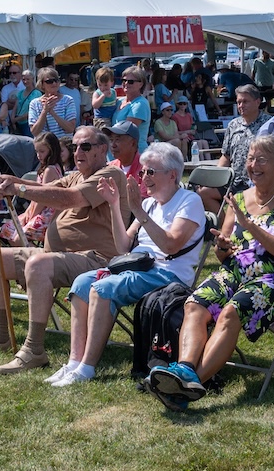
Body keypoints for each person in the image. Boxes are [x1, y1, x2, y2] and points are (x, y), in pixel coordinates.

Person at [144, 135, 274, 410]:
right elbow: (223, 254)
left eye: (261, 159)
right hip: (237, 271)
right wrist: (222, 247)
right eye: (249, 159)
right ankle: (185, 369)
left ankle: (187, 387)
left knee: (232, 310)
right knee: (195, 303)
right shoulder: (237, 199)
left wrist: (250, 225)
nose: (253, 165)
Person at [0, 125, 125, 373]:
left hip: (96, 260)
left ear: (102, 149)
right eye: (74, 146)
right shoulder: (75, 175)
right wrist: (5, 180)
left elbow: (71, 199)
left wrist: (16, 188)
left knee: (38, 264)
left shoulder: (110, 175)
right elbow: (45, 188)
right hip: (58, 256)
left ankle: (34, 349)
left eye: (85, 146)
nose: (77, 151)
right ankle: (0, 336)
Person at [48, 142, 208, 386]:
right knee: (82, 283)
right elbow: (123, 247)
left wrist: (137, 210)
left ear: (172, 175)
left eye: (151, 172)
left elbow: (170, 246)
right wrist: (114, 205)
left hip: (168, 274)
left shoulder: (189, 201)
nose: (144, 177)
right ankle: (74, 362)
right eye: (143, 172)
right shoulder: (150, 204)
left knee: (103, 289)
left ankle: (87, 369)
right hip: (139, 269)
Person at [216, 85, 267, 192]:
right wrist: (217, 175)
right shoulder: (233, 125)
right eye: (239, 102)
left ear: (257, 102)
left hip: (258, 181)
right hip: (233, 182)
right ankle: (231, 210)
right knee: (204, 192)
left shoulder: (268, 124)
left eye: (245, 102)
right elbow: (226, 156)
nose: (241, 106)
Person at [27, 66, 77, 140]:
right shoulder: (34, 103)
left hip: (64, 146)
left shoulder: (68, 100)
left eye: (56, 80)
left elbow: (70, 128)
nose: (54, 83)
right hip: (44, 147)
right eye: (49, 81)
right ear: (42, 84)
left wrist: (52, 113)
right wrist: (44, 111)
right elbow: (34, 132)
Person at [113, 67, 152, 133]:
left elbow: (126, 131)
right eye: (124, 80)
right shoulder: (119, 101)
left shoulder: (140, 104)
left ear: (141, 84)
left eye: (130, 82)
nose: (126, 83)